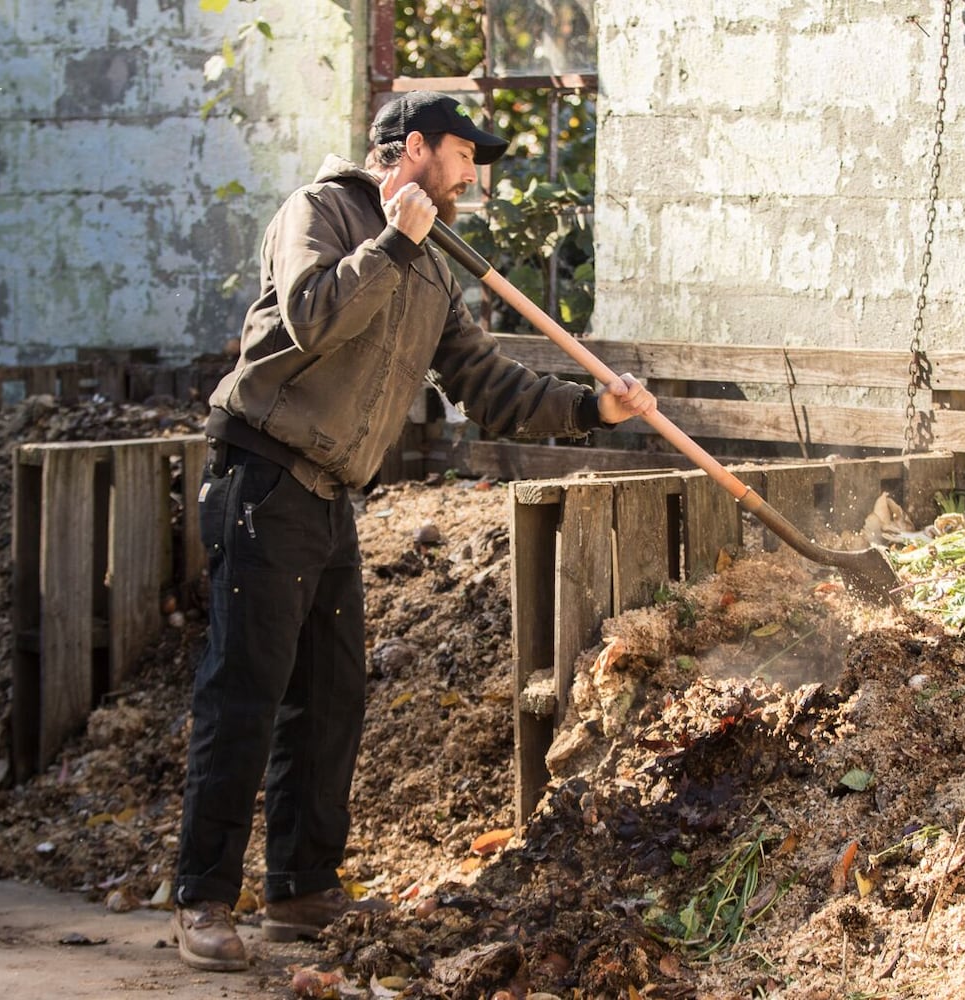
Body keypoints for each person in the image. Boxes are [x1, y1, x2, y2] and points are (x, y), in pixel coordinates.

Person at [170, 90, 657, 972]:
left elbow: (487, 383)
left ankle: (300, 887)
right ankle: (203, 898)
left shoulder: (433, 263)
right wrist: (392, 240)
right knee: (245, 691)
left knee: (330, 697)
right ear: (416, 147)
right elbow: (311, 315)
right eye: (466, 155)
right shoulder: (319, 211)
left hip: (328, 493)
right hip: (263, 474)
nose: (473, 175)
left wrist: (595, 407)